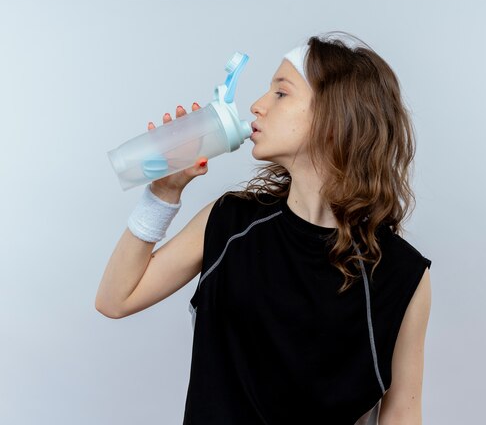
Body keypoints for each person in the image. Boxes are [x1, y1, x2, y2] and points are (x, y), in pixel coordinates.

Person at [96, 31, 432, 425]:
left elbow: (402, 414)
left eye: (281, 93)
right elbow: (115, 300)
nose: (257, 106)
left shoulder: (401, 274)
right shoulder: (230, 224)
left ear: (333, 119)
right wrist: (163, 193)